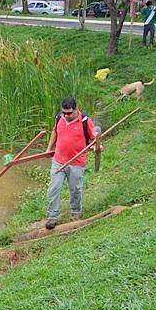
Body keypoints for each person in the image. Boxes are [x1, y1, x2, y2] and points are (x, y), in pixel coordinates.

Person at [44, 97, 98, 230]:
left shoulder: (85, 121)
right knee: (54, 188)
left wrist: (96, 147)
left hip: (76, 163)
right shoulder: (59, 118)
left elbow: (94, 139)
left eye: (69, 113)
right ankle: (52, 216)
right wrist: (49, 148)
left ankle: (76, 212)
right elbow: (54, 133)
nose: (66, 116)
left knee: (75, 189)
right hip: (58, 160)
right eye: (64, 113)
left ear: (76, 109)